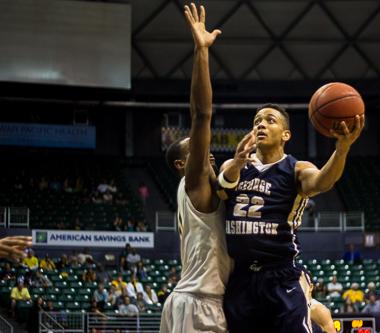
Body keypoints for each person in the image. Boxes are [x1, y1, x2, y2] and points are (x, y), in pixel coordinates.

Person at [220, 75, 363, 333]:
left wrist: (341, 150)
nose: (261, 125)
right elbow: (219, 190)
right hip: (240, 276)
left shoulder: (295, 168)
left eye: (269, 120)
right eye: (257, 122)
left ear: (285, 134)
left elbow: (321, 182)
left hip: (280, 274)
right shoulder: (235, 167)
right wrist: (237, 162)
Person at [159, 4, 232, 333]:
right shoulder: (195, 182)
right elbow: (202, 114)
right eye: (197, 150)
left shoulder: (207, 188)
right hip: (198, 304)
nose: (208, 154)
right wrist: (201, 52)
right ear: (180, 164)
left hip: (195, 300)